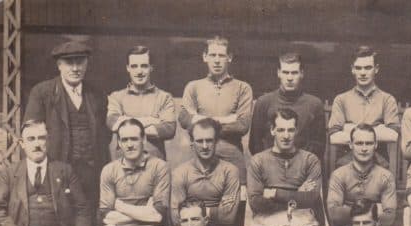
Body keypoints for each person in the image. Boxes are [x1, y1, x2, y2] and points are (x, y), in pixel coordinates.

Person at [23, 41, 110, 214]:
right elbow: (31, 134)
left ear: (87, 64)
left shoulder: (97, 93)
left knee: (89, 218)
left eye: (80, 62)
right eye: (70, 63)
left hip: (92, 172)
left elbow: (104, 134)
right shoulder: (42, 92)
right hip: (58, 170)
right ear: (59, 65)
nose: (75, 68)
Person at [160, 117, 248, 226]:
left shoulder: (230, 171)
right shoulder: (180, 172)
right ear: (192, 143)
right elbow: (175, 216)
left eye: (209, 140)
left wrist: (192, 213)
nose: (205, 146)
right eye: (200, 141)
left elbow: (228, 217)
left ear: (217, 142)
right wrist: (214, 212)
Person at [322, 123, 408, 226]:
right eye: (359, 143)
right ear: (350, 145)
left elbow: (389, 218)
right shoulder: (339, 175)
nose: (364, 148)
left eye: (368, 143)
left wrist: (348, 208)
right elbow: (334, 214)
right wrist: (375, 209)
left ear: (375, 145)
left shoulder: (385, 176)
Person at [179, 36, 253, 185]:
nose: (217, 60)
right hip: (200, 158)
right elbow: (185, 119)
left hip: (232, 157)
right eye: (212, 55)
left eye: (221, 55)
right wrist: (227, 119)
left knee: (236, 203)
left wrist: (201, 120)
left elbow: (242, 126)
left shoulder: (243, 88)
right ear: (205, 57)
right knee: (198, 204)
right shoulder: (193, 87)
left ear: (229, 58)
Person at [328, 45, 400, 168]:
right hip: (346, 165)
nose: (362, 73)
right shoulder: (341, 100)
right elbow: (334, 137)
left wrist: (348, 129)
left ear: (376, 69)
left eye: (367, 68)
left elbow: (393, 135)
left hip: (379, 165)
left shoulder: (387, 100)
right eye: (358, 68)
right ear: (352, 69)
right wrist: (378, 129)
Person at [249, 52, 326, 161]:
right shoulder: (264, 102)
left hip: (302, 169)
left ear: (302, 74)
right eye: (285, 72)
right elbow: (255, 144)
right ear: (279, 73)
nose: (290, 78)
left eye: (294, 73)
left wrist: (300, 167)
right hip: (270, 168)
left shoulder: (314, 105)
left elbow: (318, 146)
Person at [106, 45, 176, 160]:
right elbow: (113, 124)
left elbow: (169, 130)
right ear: (128, 68)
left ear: (151, 67)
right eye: (134, 66)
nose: (139, 71)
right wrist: (151, 121)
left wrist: (127, 123)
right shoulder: (116, 97)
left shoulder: (164, 97)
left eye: (144, 66)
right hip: (124, 166)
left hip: (154, 165)